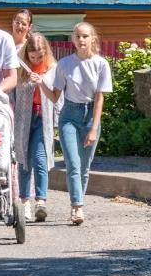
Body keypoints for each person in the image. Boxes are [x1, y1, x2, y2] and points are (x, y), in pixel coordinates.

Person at [40, 23, 112, 225]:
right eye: (78, 36)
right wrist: (40, 84)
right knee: (73, 163)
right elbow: (55, 97)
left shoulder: (101, 64)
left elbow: (99, 98)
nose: (81, 40)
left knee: (84, 167)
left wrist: (93, 128)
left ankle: (78, 202)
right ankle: (77, 207)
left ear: (92, 39)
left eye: (85, 36)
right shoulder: (65, 64)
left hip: (90, 115)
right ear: (73, 39)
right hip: (69, 115)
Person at [15, 31, 57, 223]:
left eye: (39, 56)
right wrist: (28, 83)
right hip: (23, 118)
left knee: (40, 158)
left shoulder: (52, 68)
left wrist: (41, 82)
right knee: (24, 159)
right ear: (27, 55)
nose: (36, 59)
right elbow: (14, 94)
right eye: (32, 57)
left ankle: (41, 201)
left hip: (43, 118)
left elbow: (57, 96)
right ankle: (24, 202)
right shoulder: (20, 68)